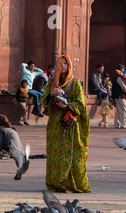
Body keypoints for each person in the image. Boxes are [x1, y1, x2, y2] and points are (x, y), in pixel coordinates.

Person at [41, 55, 91, 193]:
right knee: (55, 154)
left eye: (65, 64)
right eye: (60, 64)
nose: (62, 66)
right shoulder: (52, 82)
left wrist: (67, 106)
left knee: (70, 155)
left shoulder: (74, 83)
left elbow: (81, 105)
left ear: (69, 66)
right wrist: (52, 93)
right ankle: (56, 184)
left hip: (70, 125)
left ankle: (69, 185)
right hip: (55, 126)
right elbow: (43, 100)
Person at [0, 114, 28, 180]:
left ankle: (20, 171)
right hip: (20, 150)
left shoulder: (1, 130)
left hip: (12, 149)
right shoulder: (12, 129)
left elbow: (0, 145)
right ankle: (19, 171)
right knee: (19, 159)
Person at [112, 64, 126, 129]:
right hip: (120, 95)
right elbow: (124, 87)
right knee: (124, 110)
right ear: (121, 70)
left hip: (117, 96)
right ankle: (123, 124)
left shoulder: (115, 77)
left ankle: (117, 124)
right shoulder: (119, 78)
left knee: (118, 110)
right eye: (123, 69)